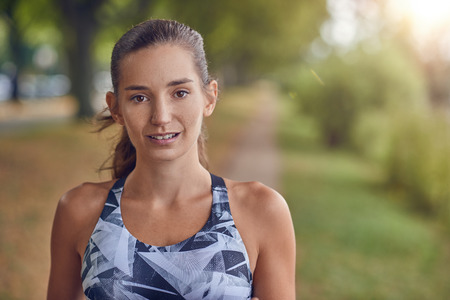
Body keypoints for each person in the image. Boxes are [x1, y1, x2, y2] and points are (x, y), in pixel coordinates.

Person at [47, 19, 296, 300]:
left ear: (209, 97)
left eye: (180, 93)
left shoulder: (261, 210)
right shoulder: (79, 210)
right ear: (115, 109)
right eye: (140, 98)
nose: (161, 117)